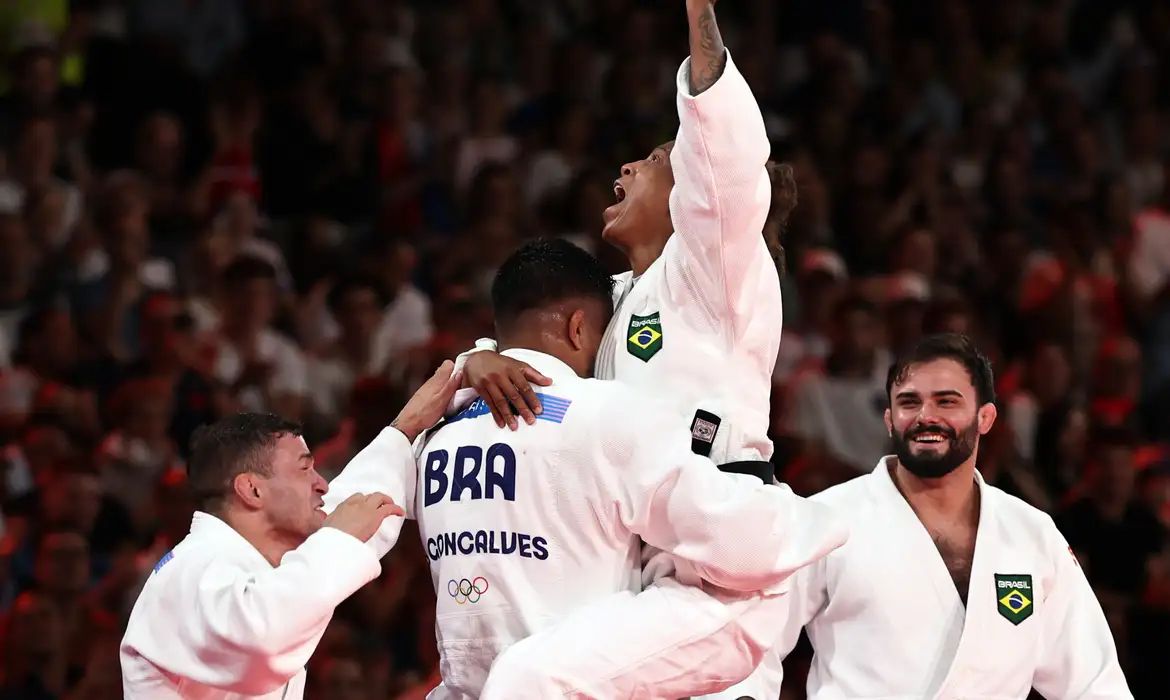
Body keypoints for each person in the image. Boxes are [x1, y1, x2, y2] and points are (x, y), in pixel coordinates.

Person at [460, 0, 798, 696]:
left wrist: (700, 9)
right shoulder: (611, 300)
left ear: (690, 194)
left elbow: (726, 156)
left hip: (716, 554)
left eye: (652, 160)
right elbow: (539, 343)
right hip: (635, 560)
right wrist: (478, 358)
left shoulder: (715, 270)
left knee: (529, 680)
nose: (626, 166)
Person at [334, 239, 845, 699]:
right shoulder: (608, 414)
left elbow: (337, 523)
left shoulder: (433, 430)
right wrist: (817, 516)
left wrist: (472, 359)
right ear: (579, 328)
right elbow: (742, 544)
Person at [763, 334, 1132, 698]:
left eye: (946, 402)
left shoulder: (1031, 534)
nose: (926, 417)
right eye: (910, 402)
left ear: (985, 417)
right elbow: (751, 642)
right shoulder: (827, 518)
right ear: (890, 420)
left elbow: (1094, 684)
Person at [119, 361, 463, 700]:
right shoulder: (190, 571)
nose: (322, 485)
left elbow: (348, 510)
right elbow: (263, 635)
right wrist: (338, 538)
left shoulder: (262, 565)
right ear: (252, 490)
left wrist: (403, 431)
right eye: (304, 470)